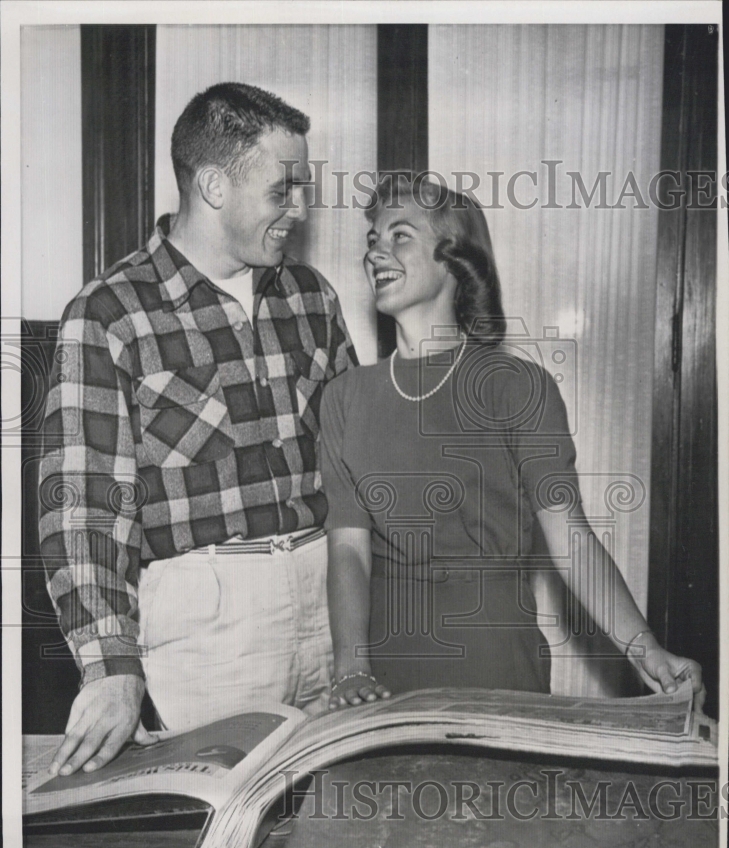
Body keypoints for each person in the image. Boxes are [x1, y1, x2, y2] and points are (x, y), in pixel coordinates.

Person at [40, 82, 357, 775]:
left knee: (330, 825)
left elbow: (353, 469)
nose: (298, 210)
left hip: (326, 599)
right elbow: (84, 510)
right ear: (214, 185)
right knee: (222, 838)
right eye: (283, 190)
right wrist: (110, 667)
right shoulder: (108, 314)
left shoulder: (312, 298)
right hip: (209, 628)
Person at [320, 175, 704, 711]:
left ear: (453, 258)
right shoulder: (343, 398)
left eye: (399, 235)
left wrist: (647, 652)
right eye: (372, 240)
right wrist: (350, 668)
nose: (376, 252)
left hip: (495, 661)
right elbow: (348, 551)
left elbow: (569, 539)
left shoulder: (516, 386)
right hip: (381, 676)